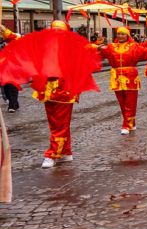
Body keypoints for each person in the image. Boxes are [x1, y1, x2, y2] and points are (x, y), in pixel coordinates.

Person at [1, 21, 96, 168]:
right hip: (49, 90)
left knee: (60, 124)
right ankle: (66, 152)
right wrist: (4, 30)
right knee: (56, 123)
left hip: (65, 90)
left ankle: (52, 154)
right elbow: (21, 41)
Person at [97, 27, 147, 134]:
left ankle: (126, 125)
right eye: (119, 34)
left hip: (131, 77)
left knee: (130, 102)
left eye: (123, 34)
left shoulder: (134, 46)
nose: (120, 36)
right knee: (122, 102)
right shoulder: (111, 47)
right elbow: (99, 53)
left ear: (127, 36)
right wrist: (96, 46)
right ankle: (131, 123)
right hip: (116, 78)